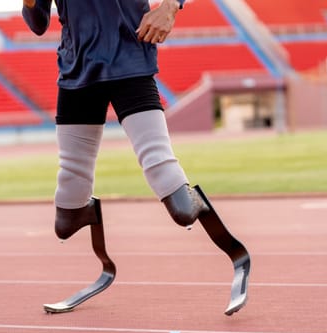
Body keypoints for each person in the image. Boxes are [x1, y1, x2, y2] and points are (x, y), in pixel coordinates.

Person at [22, 0, 208, 238]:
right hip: (88, 67)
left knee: (156, 164)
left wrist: (170, 6)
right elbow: (38, 24)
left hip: (116, 61)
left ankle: (182, 203)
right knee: (70, 205)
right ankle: (185, 204)